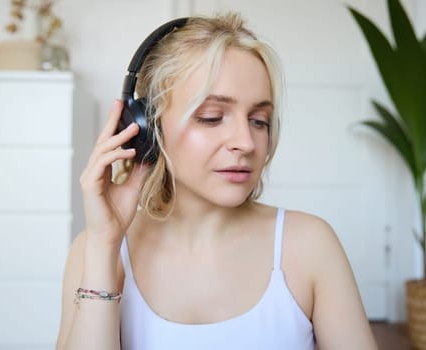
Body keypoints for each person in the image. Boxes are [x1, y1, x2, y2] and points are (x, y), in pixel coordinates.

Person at [55, 12, 377, 350]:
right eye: (211, 118)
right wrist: (105, 247)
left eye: (259, 120)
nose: (246, 142)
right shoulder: (93, 250)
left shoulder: (311, 245)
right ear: (148, 127)